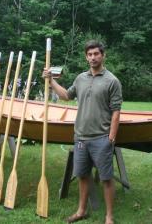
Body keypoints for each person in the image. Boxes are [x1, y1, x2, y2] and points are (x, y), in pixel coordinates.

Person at [42, 40, 122, 224]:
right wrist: (51, 81)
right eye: (90, 54)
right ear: (86, 57)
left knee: (107, 178)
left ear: (103, 55)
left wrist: (111, 138)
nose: (93, 57)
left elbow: (116, 112)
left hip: (101, 138)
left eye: (96, 54)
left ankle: (109, 217)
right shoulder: (80, 78)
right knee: (82, 175)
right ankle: (81, 211)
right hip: (81, 138)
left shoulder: (112, 81)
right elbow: (66, 96)